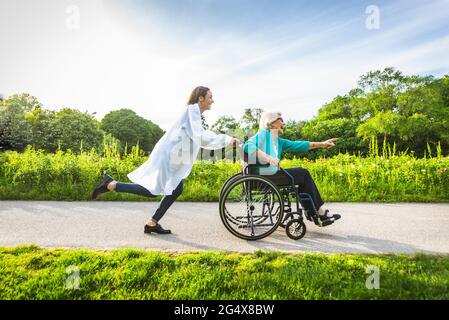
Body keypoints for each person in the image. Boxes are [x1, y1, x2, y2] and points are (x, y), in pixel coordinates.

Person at [92, 86, 241, 234]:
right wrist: (227, 140)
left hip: (174, 157)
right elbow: (201, 137)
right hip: (169, 157)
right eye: (210, 97)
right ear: (201, 98)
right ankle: (111, 184)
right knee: (153, 191)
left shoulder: (193, 113)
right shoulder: (192, 111)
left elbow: (199, 135)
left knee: (177, 188)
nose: (212, 101)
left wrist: (226, 140)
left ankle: (152, 223)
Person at [243, 111, 341, 223]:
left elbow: (299, 145)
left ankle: (313, 212)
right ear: (271, 122)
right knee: (303, 174)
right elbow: (247, 146)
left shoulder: (278, 141)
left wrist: (323, 144)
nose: (284, 123)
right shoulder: (264, 135)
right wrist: (269, 158)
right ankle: (318, 212)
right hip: (264, 177)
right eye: (281, 120)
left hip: (268, 176)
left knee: (300, 176)